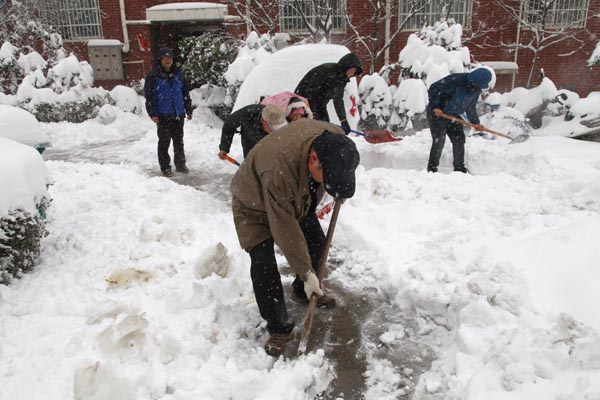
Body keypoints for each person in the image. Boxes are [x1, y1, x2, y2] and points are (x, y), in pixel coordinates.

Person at [230, 119, 360, 357]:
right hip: (253, 204)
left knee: (317, 245)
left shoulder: (334, 138)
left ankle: (301, 291)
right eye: (327, 175)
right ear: (313, 160)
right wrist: (308, 273)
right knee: (263, 263)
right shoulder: (277, 171)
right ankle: (278, 326)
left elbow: (338, 165)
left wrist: (339, 184)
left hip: (297, 193)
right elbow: (285, 229)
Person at [426, 68, 493, 173]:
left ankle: (459, 168)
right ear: (473, 79)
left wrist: (475, 123)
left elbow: (470, 107)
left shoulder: (476, 89)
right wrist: (435, 106)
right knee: (439, 140)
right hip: (438, 113)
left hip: (453, 115)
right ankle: (432, 169)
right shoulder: (456, 80)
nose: (477, 86)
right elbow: (434, 88)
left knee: (459, 139)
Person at [144, 47, 193, 177]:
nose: (168, 60)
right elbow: (149, 96)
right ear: (160, 60)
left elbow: (185, 93)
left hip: (178, 113)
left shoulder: (178, 73)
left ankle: (181, 164)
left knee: (179, 141)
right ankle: (165, 167)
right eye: (165, 57)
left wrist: (188, 109)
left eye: (170, 57)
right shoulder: (153, 76)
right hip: (163, 115)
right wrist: (152, 113)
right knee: (164, 142)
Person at [294, 52, 363, 134]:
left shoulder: (342, 79)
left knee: (325, 129)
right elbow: (311, 91)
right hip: (303, 104)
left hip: (320, 105)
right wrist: (313, 113)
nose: (354, 75)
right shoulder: (327, 70)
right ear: (348, 66)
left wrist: (343, 121)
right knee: (309, 132)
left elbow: (338, 100)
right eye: (354, 71)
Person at [218, 104, 286, 160]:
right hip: (250, 143)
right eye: (272, 127)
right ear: (263, 121)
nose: (274, 131)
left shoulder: (281, 118)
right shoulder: (248, 113)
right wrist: (224, 148)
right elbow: (229, 125)